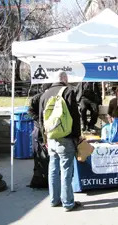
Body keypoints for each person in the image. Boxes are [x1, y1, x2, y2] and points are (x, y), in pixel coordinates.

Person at [39, 72, 82, 211]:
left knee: (53, 169)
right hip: (66, 138)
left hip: (51, 138)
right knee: (66, 170)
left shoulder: (45, 94)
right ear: (65, 79)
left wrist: (44, 138)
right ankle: (68, 203)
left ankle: (53, 199)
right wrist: (78, 136)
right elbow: (75, 116)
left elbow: (41, 119)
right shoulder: (68, 91)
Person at [28, 83, 52, 188]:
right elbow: (30, 110)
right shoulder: (37, 98)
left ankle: (45, 176)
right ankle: (40, 177)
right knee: (39, 154)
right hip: (39, 130)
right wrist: (38, 120)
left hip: (48, 128)